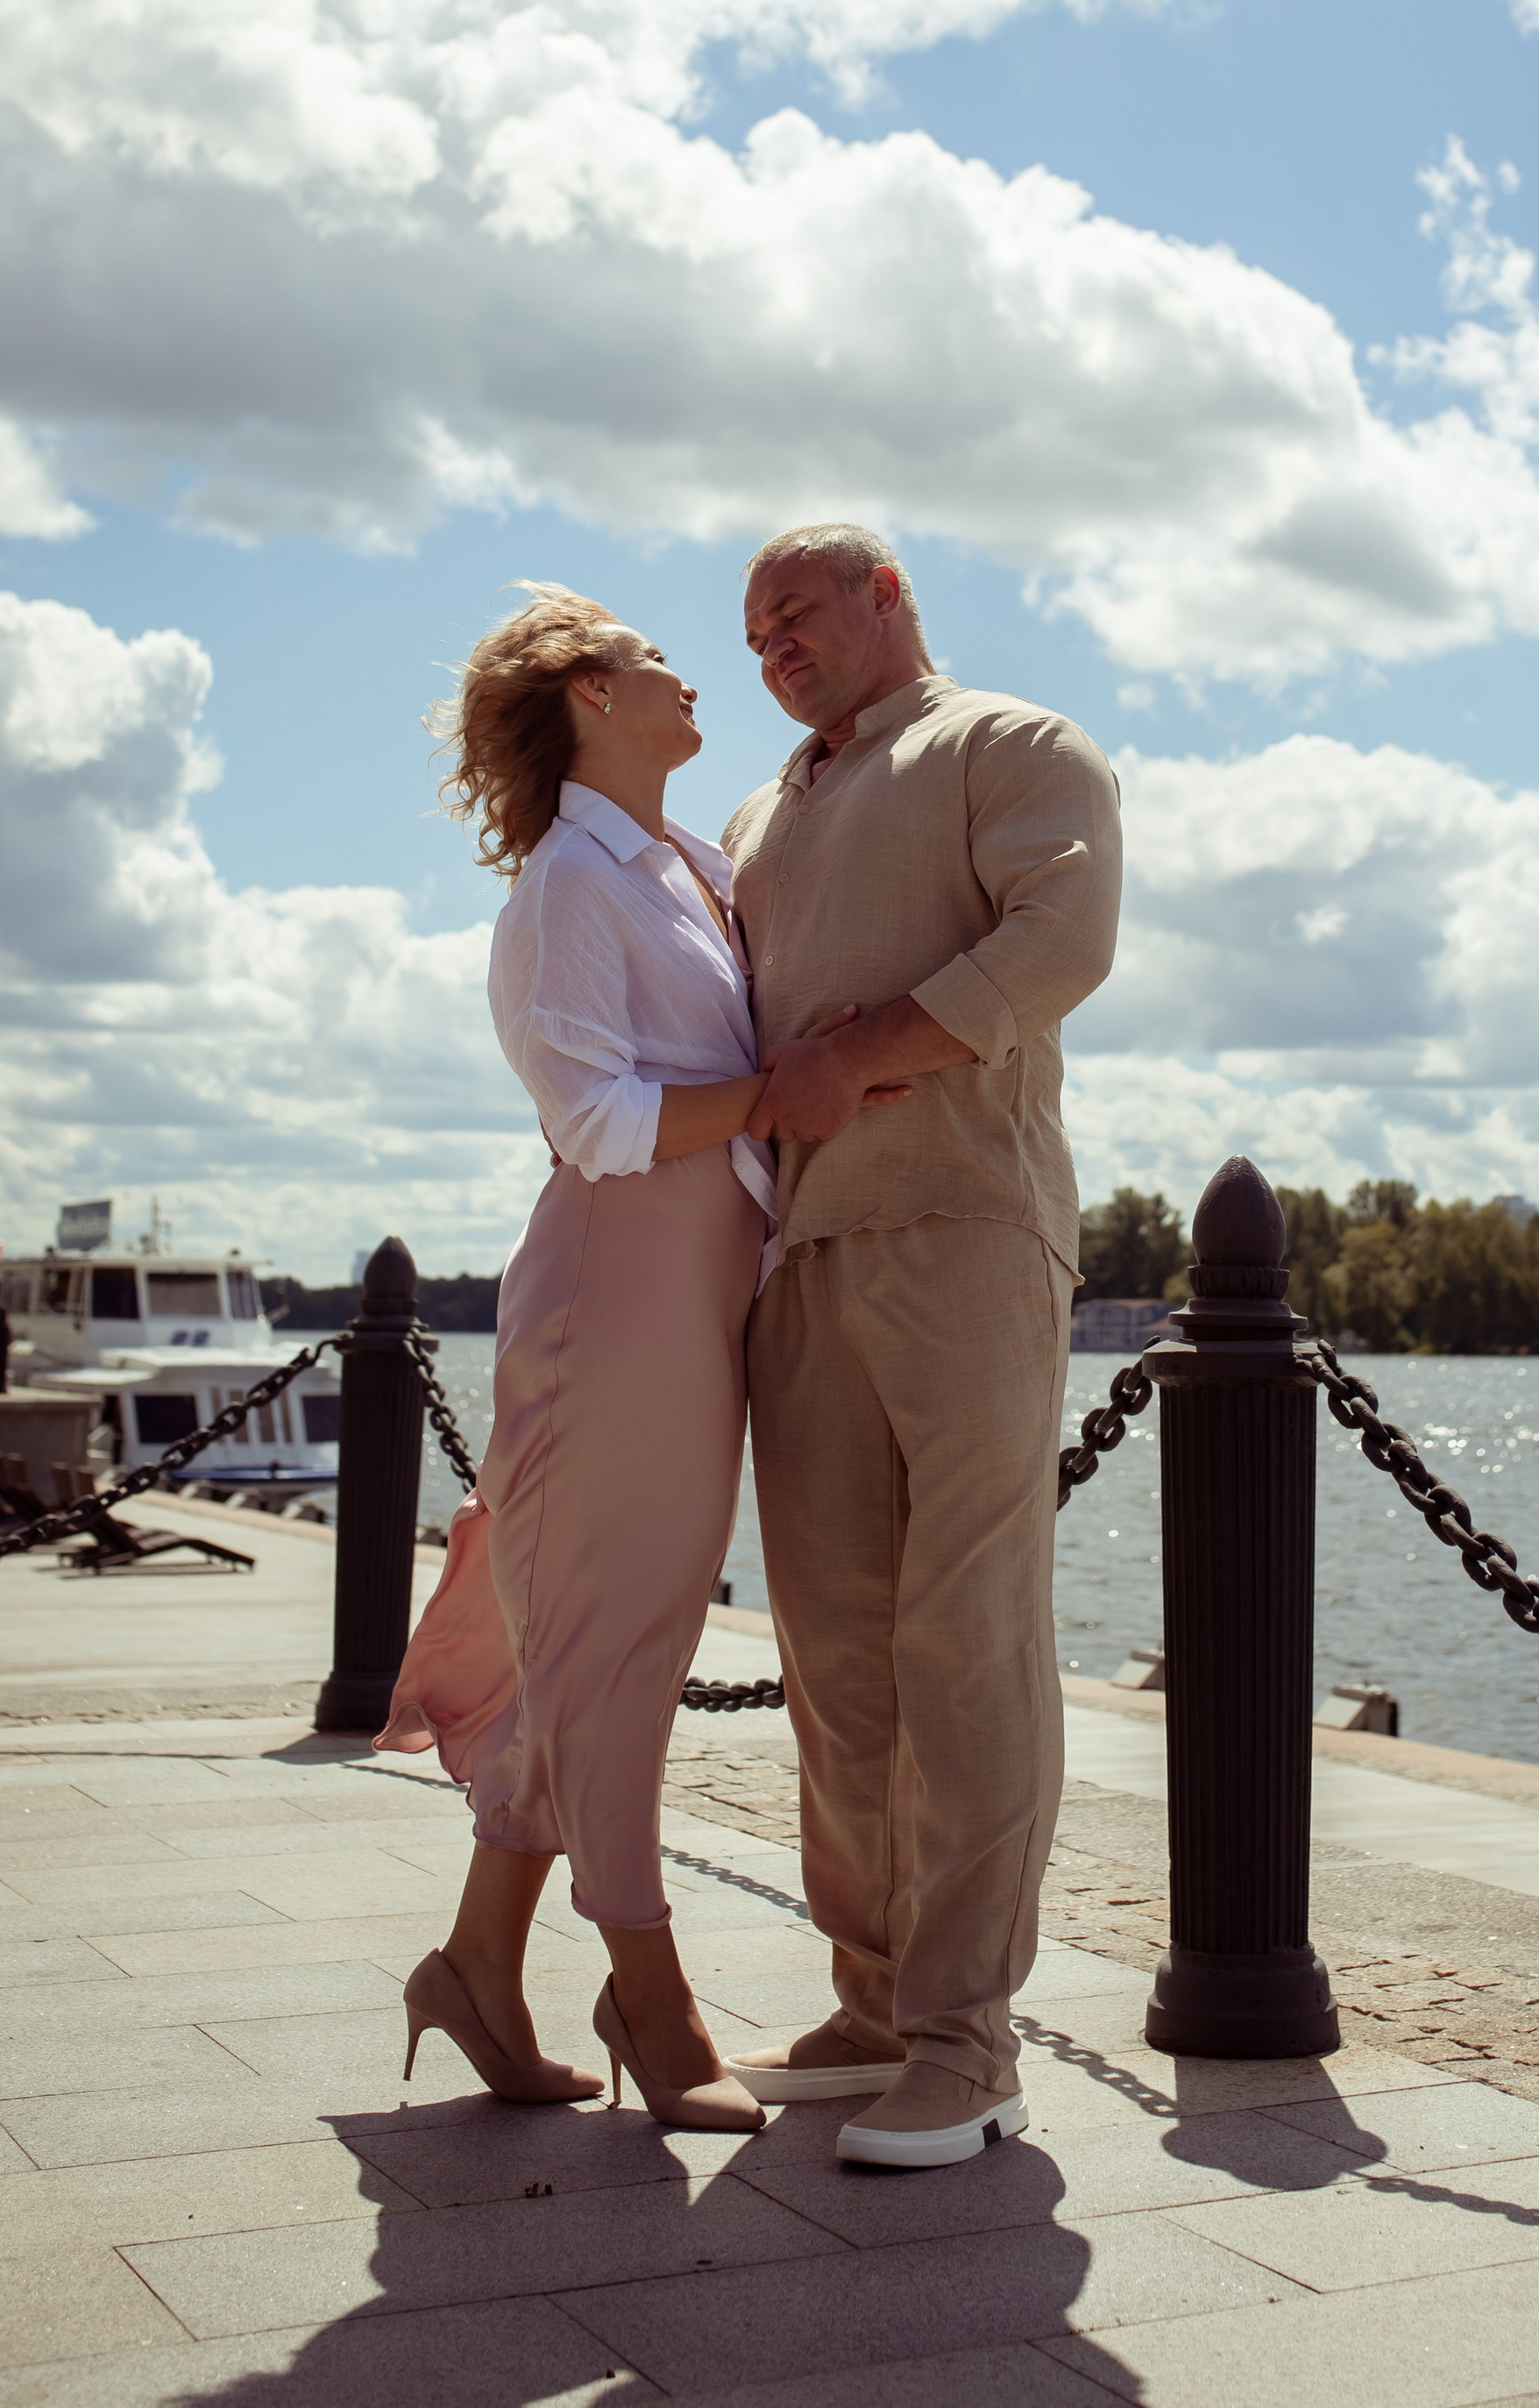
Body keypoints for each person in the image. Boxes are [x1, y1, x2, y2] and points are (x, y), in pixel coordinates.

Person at [379, 582, 911, 2127]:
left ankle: (480, 1962)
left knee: (605, 1633)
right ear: (587, 695)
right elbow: (595, 1118)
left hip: (695, 1293)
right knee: (621, 1647)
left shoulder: (687, 860)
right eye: (657, 660)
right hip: (615, 1297)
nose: (695, 676)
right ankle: (651, 1996)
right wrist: (779, 1095)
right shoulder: (564, 888)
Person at [725, 522, 1122, 2171]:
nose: (772, 647)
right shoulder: (760, 812)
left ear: (886, 592)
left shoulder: (1010, 745)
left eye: (795, 611)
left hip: (964, 1229)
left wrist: (864, 1060)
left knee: (968, 1639)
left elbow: (1064, 941)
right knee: (832, 1656)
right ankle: (877, 2002)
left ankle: (970, 2041)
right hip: (795, 1260)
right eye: (752, 633)